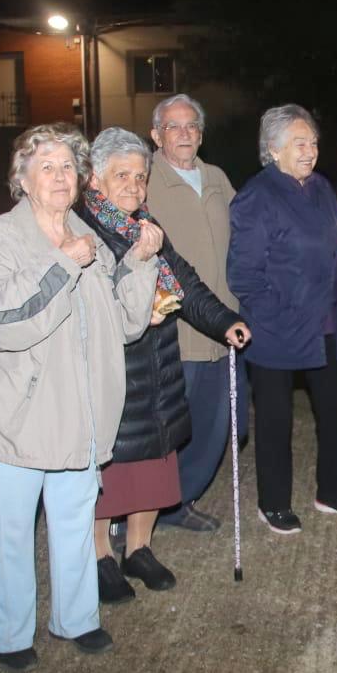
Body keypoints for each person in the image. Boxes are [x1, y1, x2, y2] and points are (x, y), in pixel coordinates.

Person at [0, 122, 162, 672]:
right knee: (9, 534)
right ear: (22, 179)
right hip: (17, 418)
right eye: (45, 166)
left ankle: (77, 619)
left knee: (75, 526)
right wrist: (61, 264)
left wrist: (140, 264)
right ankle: (8, 634)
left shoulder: (90, 237)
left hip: (81, 415)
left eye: (68, 167)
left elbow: (123, 325)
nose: (58, 176)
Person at [77, 127, 250, 603]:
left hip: (159, 365)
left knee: (154, 461)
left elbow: (186, 283)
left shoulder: (147, 226)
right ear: (95, 179)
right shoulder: (82, 232)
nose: (134, 186)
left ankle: (140, 548)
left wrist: (224, 321)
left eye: (139, 176)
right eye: (122, 176)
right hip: (114, 373)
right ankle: (98, 557)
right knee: (109, 466)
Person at [228, 105, 337, 533]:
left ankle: (334, 491)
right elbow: (244, 275)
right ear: (272, 150)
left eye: (312, 142)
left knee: (335, 410)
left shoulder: (323, 189)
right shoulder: (257, 196)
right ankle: (273, 503)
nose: (310, 151)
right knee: (275, 419)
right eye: (299, 143)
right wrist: (280, 313)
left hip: (326, 323)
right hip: (276, 329)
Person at [147, 94, 245, 532]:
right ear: (156, 135)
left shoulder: (217, 177)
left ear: (201, 135)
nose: (183, 134)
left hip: (222, 323)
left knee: (215, 424)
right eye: (173, 126)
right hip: (172, 329)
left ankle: (180, 501)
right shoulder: (143, 179)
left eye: (191, 126)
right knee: (166, 429)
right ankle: (146, 507)